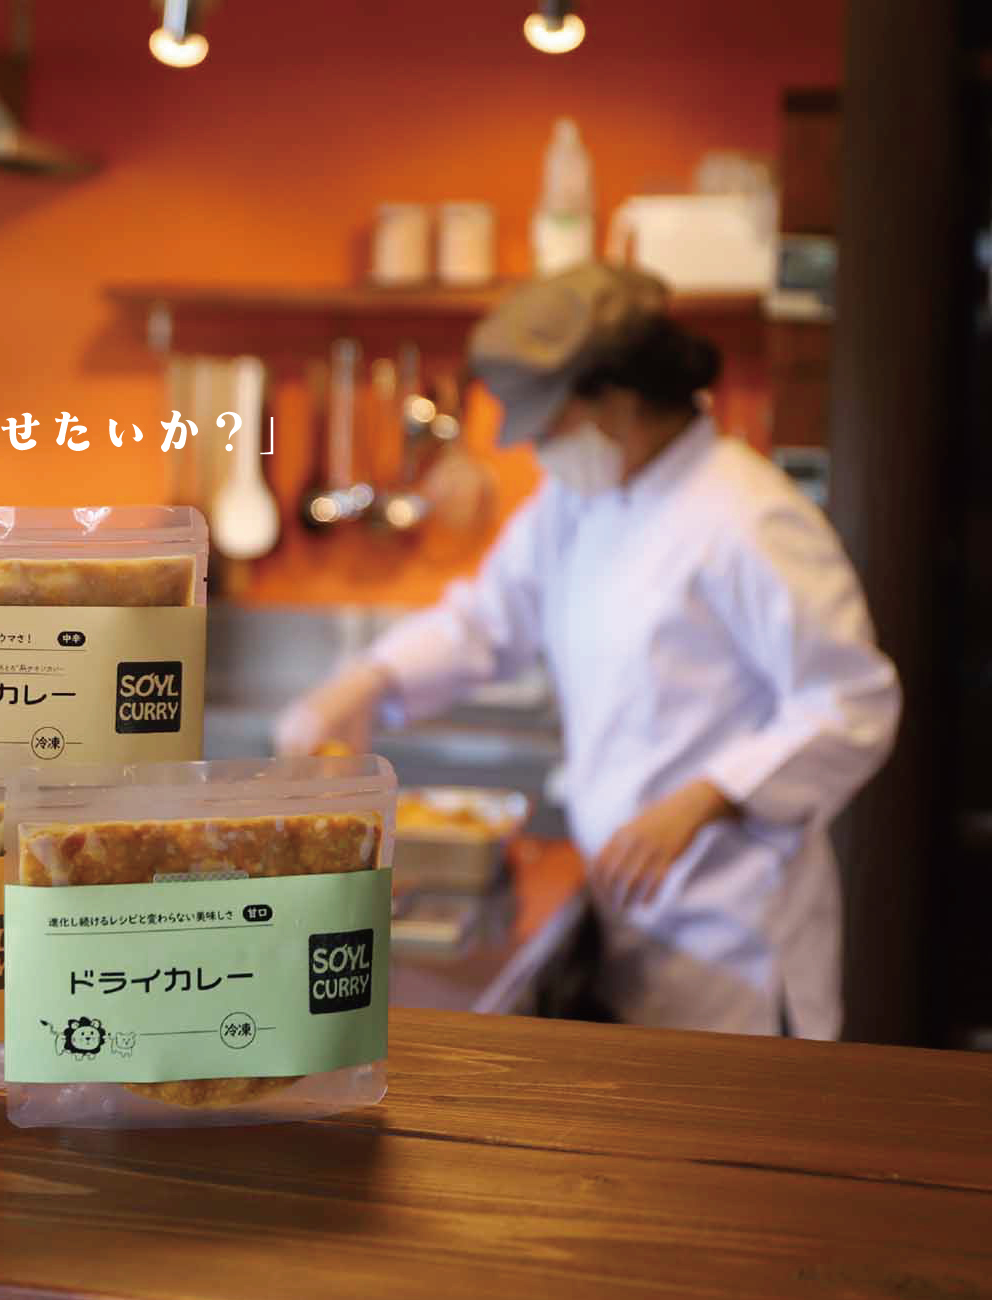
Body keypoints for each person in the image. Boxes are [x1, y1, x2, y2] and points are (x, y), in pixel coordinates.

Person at [275, 264, 900, 1039]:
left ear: (619, 399)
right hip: (631, 921)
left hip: (732, 945)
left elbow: (852, 701)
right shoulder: (578, 503)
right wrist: (366, 682)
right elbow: (488, 620)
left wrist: (706, 796)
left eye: (547, 427)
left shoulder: (747, 516)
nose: (537, 449)